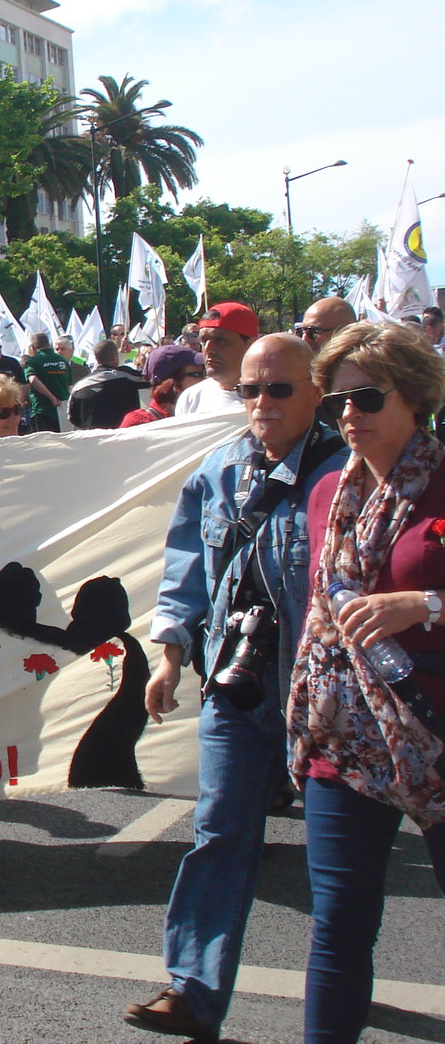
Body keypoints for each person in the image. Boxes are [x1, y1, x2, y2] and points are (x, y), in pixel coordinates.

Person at [123, 334, 345, 1042]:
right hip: (236, 686)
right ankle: (192, 992)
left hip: (326, 696)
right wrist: (168, 659)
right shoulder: (218, 470)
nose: (262, 403)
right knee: (219, 832)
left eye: (279, 389)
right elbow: (185, 572)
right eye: (250, 390)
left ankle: (340, 990)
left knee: (341, 862)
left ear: (316, 393)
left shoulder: (346, 473)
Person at [287, 321, 445, 1043]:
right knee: (340, 923)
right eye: (336, 402)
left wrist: (425, 604)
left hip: (434, 729)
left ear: (413, 396)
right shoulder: (327, 492)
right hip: (344, 735)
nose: (349, 414)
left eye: (367, 397)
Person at [175, 303, 258, 418]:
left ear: (251, 344)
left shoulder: (270, 398)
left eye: (220, 341)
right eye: (204, 342)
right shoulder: (191, 399)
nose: (208, 349)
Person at [70, 339, 148, 429]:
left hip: (92, 436)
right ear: (114, 357)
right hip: (124, 434)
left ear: (96, 358)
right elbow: (150, 381)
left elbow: (73, 417)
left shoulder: (79, 387)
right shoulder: (128, 377)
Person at [121, 345, 207, 427]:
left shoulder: (205, 412)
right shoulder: (140, 423)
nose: (206, 379)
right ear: (171, 382)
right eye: (197, 374)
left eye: (205, 373)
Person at [20, 332, 71, 433]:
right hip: (63, 411)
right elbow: (70, 386)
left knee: (45, 441)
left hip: (42, 411)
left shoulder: (33, 362)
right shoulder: (63, 361)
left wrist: (52, 398)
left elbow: (33, 379)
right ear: (49, 344)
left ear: (33, 347)